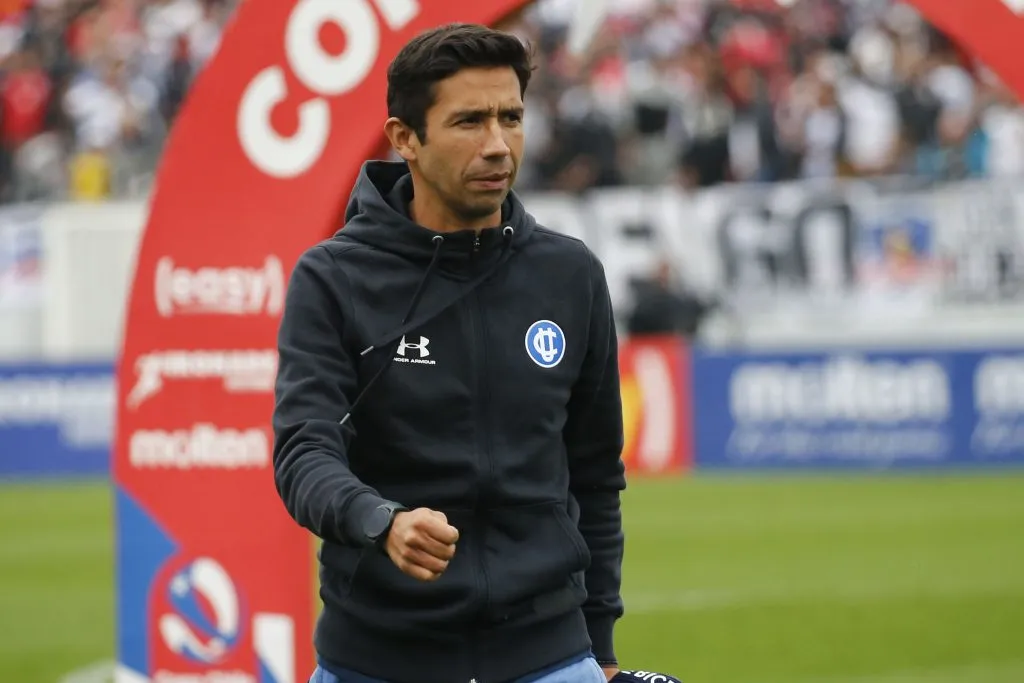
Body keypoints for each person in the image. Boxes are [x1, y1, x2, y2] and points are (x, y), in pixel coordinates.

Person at [272, 23, 626, 683]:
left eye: (511, 118)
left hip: (549, 657)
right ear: (405, 137)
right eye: (469, 121)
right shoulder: (332, 278)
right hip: (373, 659)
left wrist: (600, 650)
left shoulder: (569, 274)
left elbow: (596, 476)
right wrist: (382, 522)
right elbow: (302, 453)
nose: (498, 145)